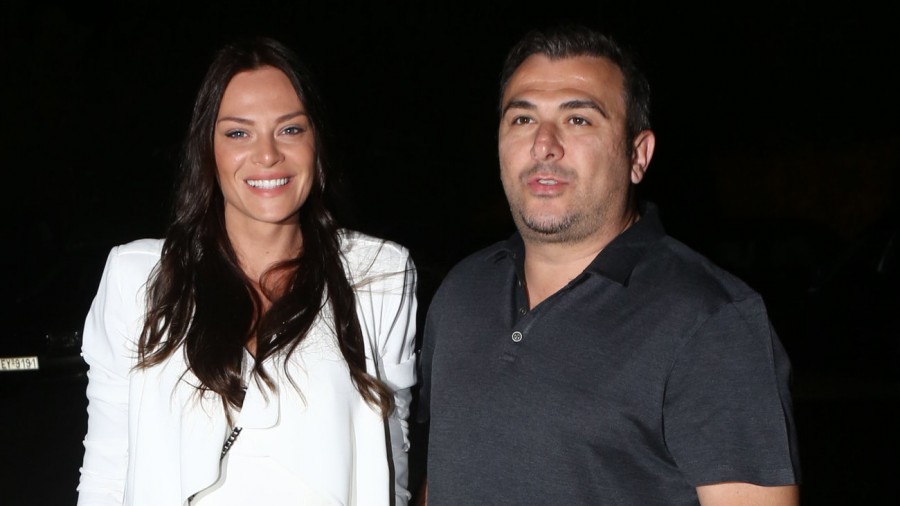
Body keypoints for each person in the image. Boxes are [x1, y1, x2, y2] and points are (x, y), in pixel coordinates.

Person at [417, 24, 800, 505]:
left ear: (638, 155)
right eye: (523, 119)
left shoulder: (711, 320)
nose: (543, 144)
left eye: (578, 119)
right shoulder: (461, 292)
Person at [77, 36, 417, 506]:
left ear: (316, 142)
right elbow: (107, 469)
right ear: (207, 149)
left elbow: (391, 456)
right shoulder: (137, 278)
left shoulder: (379, 274)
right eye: (238, 133)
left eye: (290, 129)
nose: (268, 154)